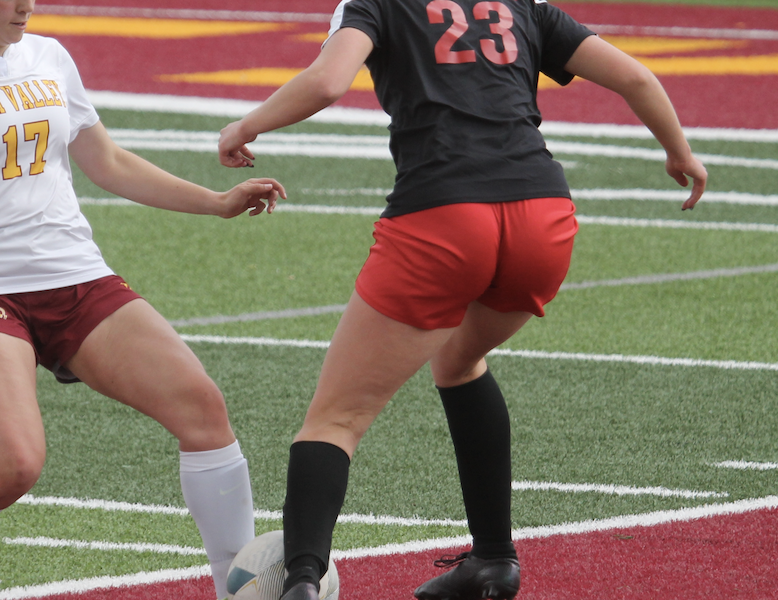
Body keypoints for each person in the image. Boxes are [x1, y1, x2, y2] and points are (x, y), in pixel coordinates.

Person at [218, 1, 706, 599]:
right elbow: (635, 76)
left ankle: (299, 581)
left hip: (444, 215)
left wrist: (246, 126)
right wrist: (679, 151)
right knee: (458, 359)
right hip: (543, 216)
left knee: (337, 419)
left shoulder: (374, 4)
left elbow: (327, 82)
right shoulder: (522, 5)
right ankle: (493, 558)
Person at [0, 1, 286, 599]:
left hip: (75, 275)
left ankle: (234, 590)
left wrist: (216, 202)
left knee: (203, 412)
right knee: (12, 465)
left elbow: (108, 162)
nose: (27, 5)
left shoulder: (48, 56)